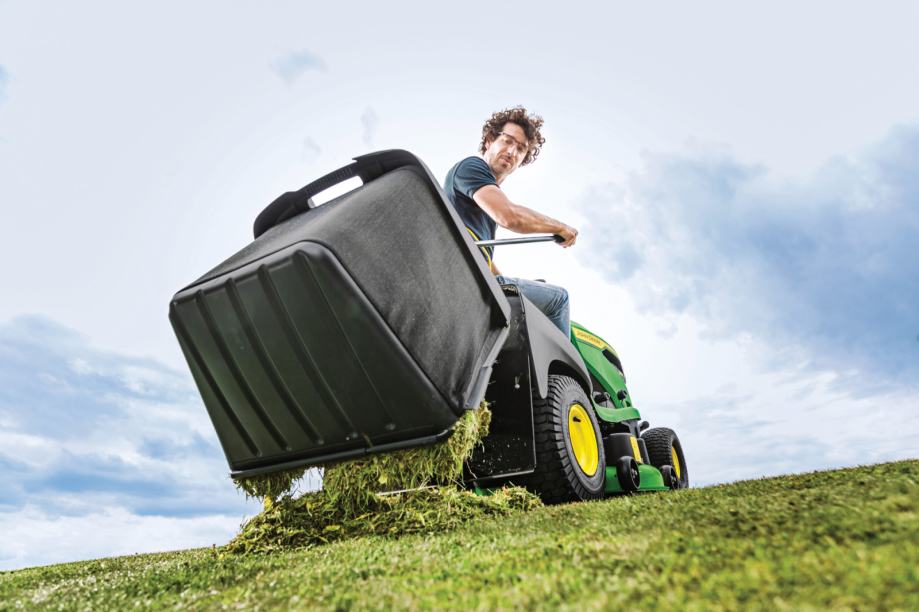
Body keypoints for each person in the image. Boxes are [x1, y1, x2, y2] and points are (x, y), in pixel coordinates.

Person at [443, 106, 578, 335]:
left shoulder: (483, 206)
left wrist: (510, 282)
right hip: (466, 276)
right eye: (507, 141)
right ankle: (563, 361)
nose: (512, 151)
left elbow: (486, 261)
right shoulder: (472, 167)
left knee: (533, 295)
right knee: (558, 299)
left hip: (472, 275)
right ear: (489, 141)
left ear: (522, 160)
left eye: (521, 149)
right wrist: (560, 227)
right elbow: (509, 216)